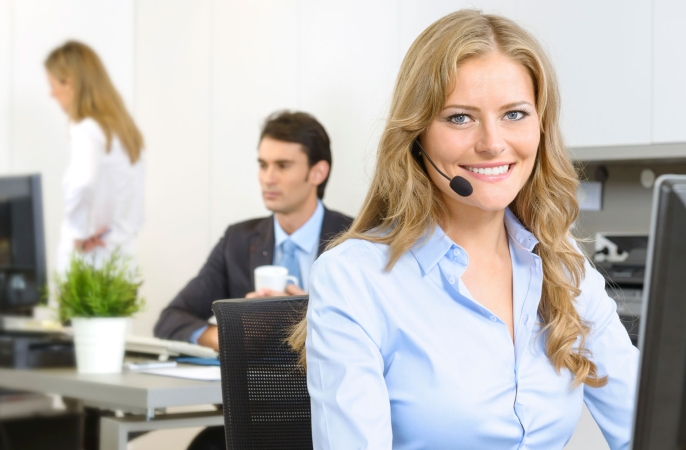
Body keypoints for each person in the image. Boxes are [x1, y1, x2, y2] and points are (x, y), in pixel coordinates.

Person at [292, 10, 639, 450]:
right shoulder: (354, 278)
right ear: (417, 136)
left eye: (515, 114)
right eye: (460, 118)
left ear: (540, 127)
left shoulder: (560, 261)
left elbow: (650, 425)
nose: (493, 143)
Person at [154, 110, 352, 351]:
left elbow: (374, 331)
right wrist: (236, 334)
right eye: (263, 165)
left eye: (283, 166)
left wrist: (306, 315)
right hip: (253, 384)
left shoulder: (354, 239)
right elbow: (171, 320)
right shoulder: (237, 240)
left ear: (318, 172)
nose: (268, 178)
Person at [45, 41, 145, 274]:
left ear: (69, 84)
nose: (51, 94)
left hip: (91, 267)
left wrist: (79, 233)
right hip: (123, 260)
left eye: (52, 85)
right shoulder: (124, 130)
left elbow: (82, 182)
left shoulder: (87, 129)